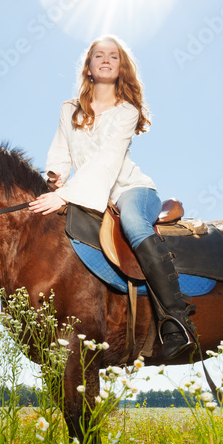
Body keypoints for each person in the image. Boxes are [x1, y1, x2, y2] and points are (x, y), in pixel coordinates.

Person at [28, 35, 196, 360]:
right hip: (88, 193)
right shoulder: (68, 110)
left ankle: (177, 318)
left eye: (113, 57)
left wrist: (65, 195)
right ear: (89, 67)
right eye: (99, 56)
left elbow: (106, 162)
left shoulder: (127, 111)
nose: (106, 60)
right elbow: (61, 151)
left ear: (121, 69)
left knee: (133, 223)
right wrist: (55, 176)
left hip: (130, 191)